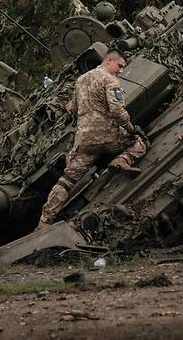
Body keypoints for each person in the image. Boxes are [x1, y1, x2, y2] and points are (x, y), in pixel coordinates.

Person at [36, 50, 147, 229]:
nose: (120, 71)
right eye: (119, 66)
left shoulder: (81, 80)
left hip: (84, 142)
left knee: (66, 181)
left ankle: (44, 221)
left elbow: (72, 108)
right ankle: (121, 161)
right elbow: (117, 111)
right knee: (140, 142)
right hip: (109, 137)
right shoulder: (110, 80)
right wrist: (132, 129)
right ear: (109, 61)